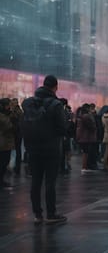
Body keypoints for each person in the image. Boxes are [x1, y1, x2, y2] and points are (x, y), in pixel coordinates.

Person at [22, 75, 67, 224]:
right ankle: (51, 213)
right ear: (55, 87)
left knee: (35, 181)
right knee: (50, 182)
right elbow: (62, 128)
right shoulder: (56, 104)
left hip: (32, 148)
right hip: (51, 149)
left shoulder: (29, 103)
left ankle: (37, 214)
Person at [0, 98, 15, 188]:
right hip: (2, 143)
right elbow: (8, 126)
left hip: (6, 144)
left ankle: (1, 180)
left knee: (4, 163)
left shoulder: (6, 115)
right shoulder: (2, 116)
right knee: (2, 163)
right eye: (8, 105)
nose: (9, 107)